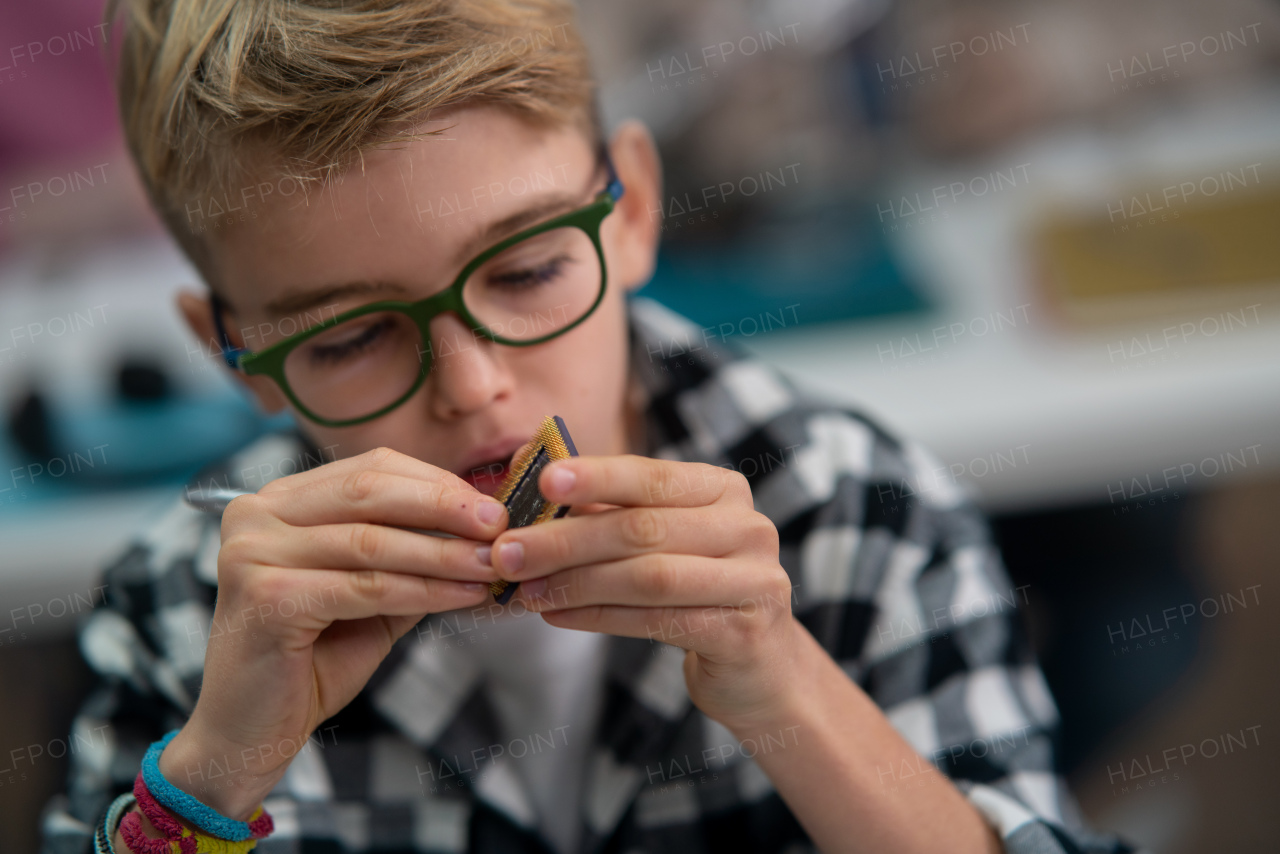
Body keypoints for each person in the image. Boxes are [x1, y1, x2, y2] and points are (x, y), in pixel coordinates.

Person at [41, 1, 1133, 852]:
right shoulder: (187, 608)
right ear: (232, 351)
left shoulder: (862, 510)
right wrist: (214, 770)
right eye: (344, 339)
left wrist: (782, 679)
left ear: (634, 211)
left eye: (524, 271)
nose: (471, 388)